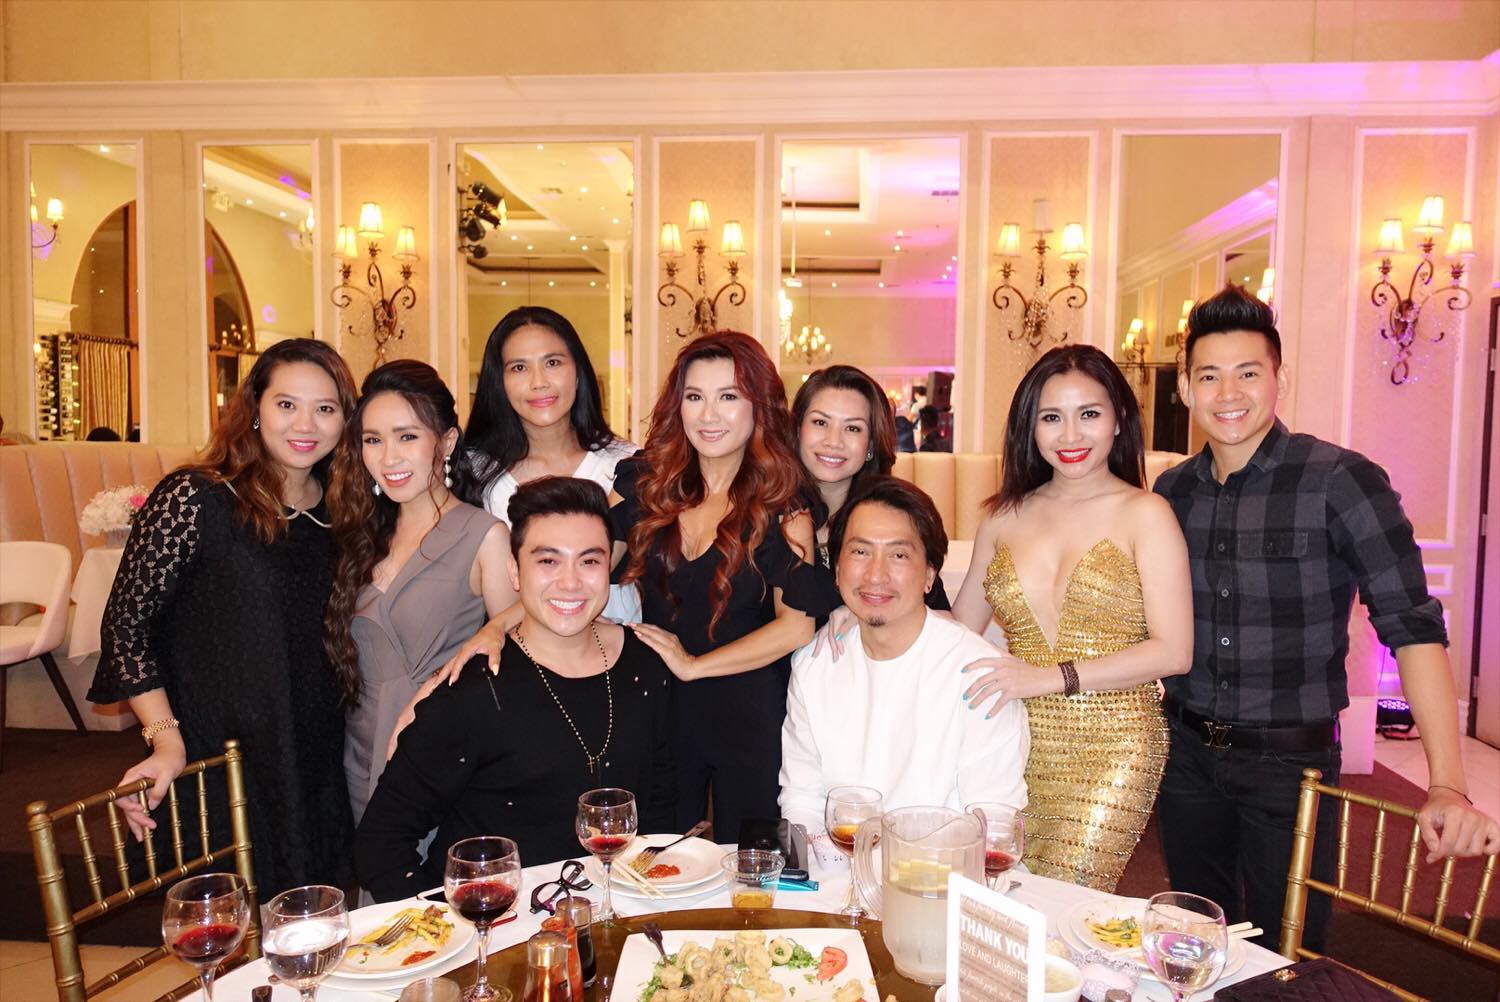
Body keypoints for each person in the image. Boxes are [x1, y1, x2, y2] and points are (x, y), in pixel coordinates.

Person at [1153, 283, 1500, 948]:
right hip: (1187, 756)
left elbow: (1412, 626)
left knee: (1288, 953)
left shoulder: (1339, 481)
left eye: (1248, 373)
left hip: (1291, 764)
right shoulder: (1171, 493)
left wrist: (1448, 784)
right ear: (1186, 388)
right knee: (1194, 936)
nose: (1229, 393)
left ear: (1280, 379)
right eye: (1210, 376)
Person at [87, 338, 358, 897]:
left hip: (317, 756)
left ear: (345, 420)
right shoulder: (196, 497)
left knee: (314, 920)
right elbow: (125, 628)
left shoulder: (344, 511)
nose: (305, 424)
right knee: (227, 927)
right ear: (255, 408)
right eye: (287, 404)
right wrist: (165, 740)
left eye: (325, 408)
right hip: (223, 757)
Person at [355, 477, 675, 900]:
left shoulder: (645, 664)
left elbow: (664, 807)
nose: (570, 582)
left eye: (589, 561)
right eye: (548, 561)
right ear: (514, 571)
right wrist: (450, 925)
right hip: (501, 924)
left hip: (619, 915)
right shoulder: (473, 691)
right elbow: (379, 843)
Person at [952, 343, 1193, 893]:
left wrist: (1049, 677)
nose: (1070, 435)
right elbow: (959, 630)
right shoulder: (1003, 517)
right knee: (1005, 891)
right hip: (1013, 736)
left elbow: (1174, 651)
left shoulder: (1146, 513)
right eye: (1051, 417)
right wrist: (857, 616)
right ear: (1029, 426)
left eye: (1088, 413)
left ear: (1119, 419)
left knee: (1063, 894)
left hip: (1113, 741)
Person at [614, 331, 839, 839]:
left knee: (753, 863)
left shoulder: (786, 504)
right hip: (660, 705)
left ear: (759, 406)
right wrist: (499, 625)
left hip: (751, 710)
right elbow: (578, 566)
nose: (709, 415)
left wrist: (695, 666)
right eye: (695, 396)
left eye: (729, 396)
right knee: (657, 857)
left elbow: (796, 628)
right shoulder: (648, 485)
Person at [780, 476, 1028, 836]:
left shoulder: (980, 674)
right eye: (860, 552)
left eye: (898, 555)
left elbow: (993, 821)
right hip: (838, 865)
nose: (875, 574)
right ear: (837, 570)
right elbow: (802, 799)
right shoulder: (815, 665)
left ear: (929, 575)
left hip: (943, 866)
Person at [324, 360, 514, 823]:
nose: (389, 458)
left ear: (445, 442)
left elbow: (517, 648)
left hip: (439, 754)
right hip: (358, 750)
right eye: (373, 440)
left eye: (407, 436)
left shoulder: (483, 534)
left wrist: (497, 627)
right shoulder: (360, 532)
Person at [462, 306, 639, 622]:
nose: (538, 382)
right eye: (519, 367)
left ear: (578, 372)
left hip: (618, 644)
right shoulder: (472, 473)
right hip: (509, 649)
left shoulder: (626, 465)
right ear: (499, 382)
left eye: (553, 363)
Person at [792, 365, 951, 609]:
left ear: (871, 446)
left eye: (853, 428)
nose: (833, 441)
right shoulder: (768, 517)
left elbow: (936, 615)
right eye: (820, 422)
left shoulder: (895, 516)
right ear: (798, 431)